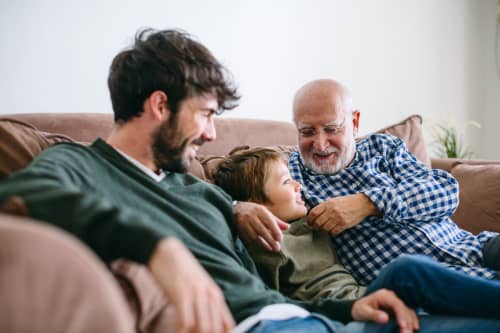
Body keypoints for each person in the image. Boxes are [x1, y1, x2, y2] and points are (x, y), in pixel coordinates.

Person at [0, 29, 498, 333]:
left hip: (318, 316)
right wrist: (158, 248)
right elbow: (17, 194)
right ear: (158, 106)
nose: (214, 134)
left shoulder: (194, 187)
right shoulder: (79, 165)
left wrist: (349, 304)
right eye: (206, 115)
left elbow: (269, 289)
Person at [214, 146, 500, 318]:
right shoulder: (259, 243)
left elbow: (445, 189)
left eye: (332, 128)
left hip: (374, 294)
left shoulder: (309, 215)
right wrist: (237, 207)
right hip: (352, 306)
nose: (298, 186)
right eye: (287, 181)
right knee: (407, 271)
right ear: (256, 204)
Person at [279, 78, 500, 286]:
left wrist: (368, 203)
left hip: (475, 246)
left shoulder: (384, 148)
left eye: (331, 129)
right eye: (307, 131)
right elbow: (250, 190)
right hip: (429, 281)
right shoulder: (291, 177)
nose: (319, 144)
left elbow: (446, 192)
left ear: (354, 122)